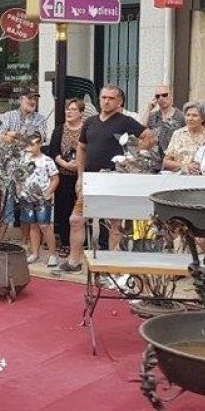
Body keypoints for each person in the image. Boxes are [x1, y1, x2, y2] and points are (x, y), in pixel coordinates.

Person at [60, 85, 150, 273]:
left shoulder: (125, 121)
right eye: (103, 97)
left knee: (114, 225)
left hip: (114, 180)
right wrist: (80, 177)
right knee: (76, 219)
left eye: (110, 98)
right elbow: (82, 148)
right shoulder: (90, 121)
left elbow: (149, 138)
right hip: (91, 180)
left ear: (119, 102)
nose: (106, 101)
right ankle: (74, 261)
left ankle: (113, 266)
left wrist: (132, 159)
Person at [47, 97, 84, 255]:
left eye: (73, 109)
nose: (69, 112)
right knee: (63, 209)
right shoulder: (59, 129)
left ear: (81, 113)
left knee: (83, 209)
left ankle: (83, 242)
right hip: (63, 173)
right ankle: (65, 242)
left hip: (82, 174)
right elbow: (53, 151)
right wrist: (64, 163)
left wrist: (80, 165)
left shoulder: (86, 128)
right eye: (68, 109)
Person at [20, 133, 59, 266]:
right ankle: (35, 253)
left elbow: (55, 178)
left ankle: (52, 254)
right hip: (27, 196)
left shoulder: (47, 160)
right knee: (33, 224)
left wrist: (48, 192)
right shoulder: (23, 159)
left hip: (42, 197)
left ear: (40, 144)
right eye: (28, 144)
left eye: (32, 144)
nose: (29, 147)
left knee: (45, 225)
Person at [162, 101, 205, 173]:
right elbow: (165, 162)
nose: (190, 118)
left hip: (202, 178)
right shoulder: (178, 134)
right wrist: (184, 166)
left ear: (203, 118)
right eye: (188, 115)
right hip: (178, 178)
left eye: (194, 115)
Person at [143, 85, 185, 156]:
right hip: (155, 159)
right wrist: (148, 109)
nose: (161, 98)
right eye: (158, 96)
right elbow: (141, 130)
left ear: (171, 96)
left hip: (174, 158)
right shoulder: (152, 116)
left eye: (164, 95)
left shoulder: (181, 116)